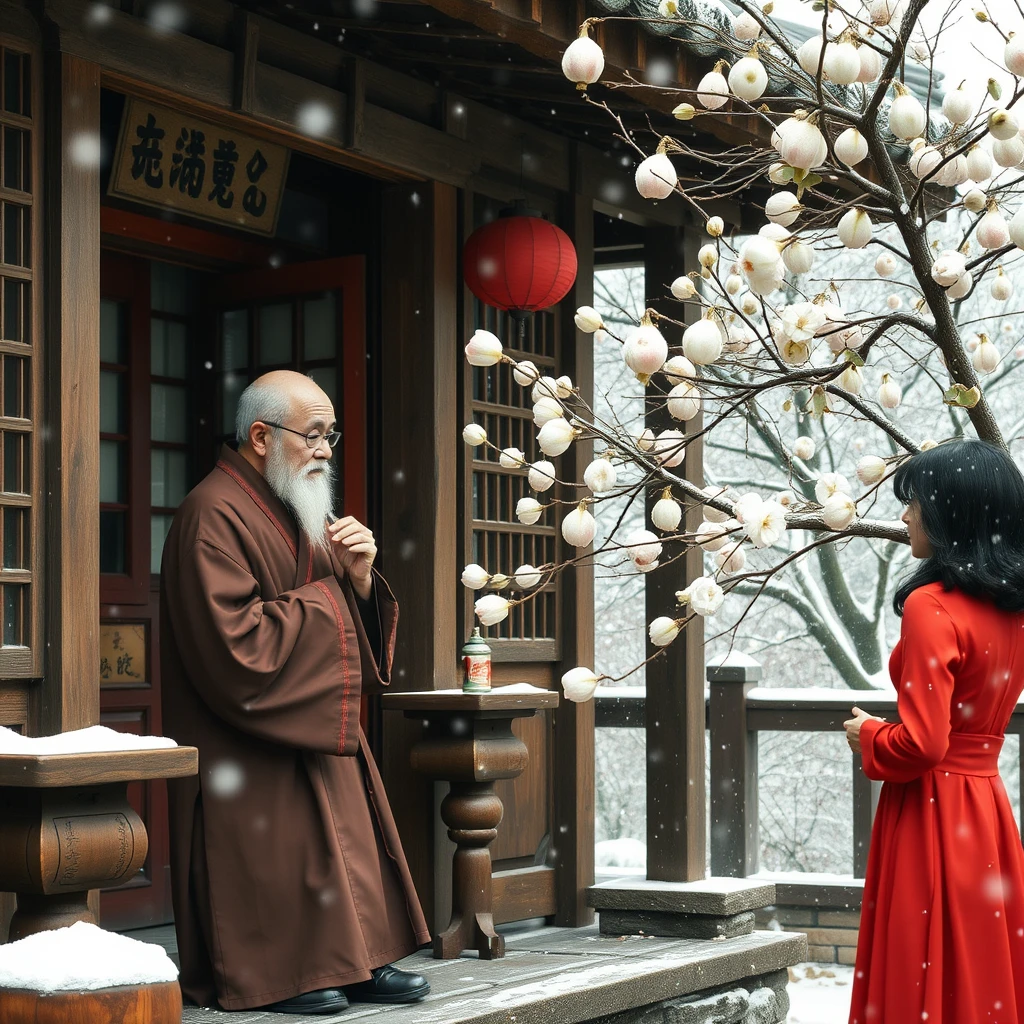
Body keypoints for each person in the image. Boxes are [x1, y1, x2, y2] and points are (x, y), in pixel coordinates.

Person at [160, 370, 431, 1015]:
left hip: (308, 716)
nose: (327, 450)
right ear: (260, 435)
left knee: (343, 843)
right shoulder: (211, 513)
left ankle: (356, 960)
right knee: (275, 852)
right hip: (242, 733)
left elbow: (329, 610)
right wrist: (335, 601)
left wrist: (361, 580)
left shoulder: (294, 503)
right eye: (313, 435)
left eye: (330, 435)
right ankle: (282, 974)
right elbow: (238, 645)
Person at [844, 439, 1024, 1024]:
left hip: (930, 809)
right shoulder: (1012, 608)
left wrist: (869, 734)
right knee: (981, 966)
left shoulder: (932, 606)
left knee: (917, 967)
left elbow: (923, 743)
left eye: (915, 502)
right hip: (988, 813)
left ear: (951, 511)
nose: (904, 515)